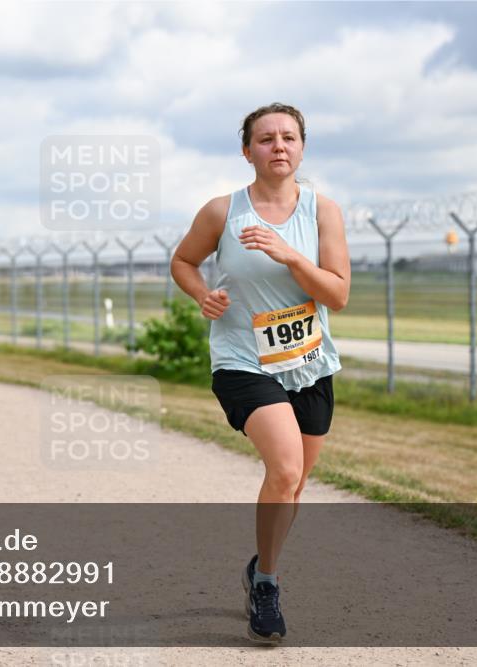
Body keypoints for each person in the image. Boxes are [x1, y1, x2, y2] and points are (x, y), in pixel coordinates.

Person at [170, 103, 349, 645]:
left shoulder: (323, 212)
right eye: (266, 138)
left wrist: (290, 256)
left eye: (288, 137)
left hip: (310, 363)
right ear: (246, 150)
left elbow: (337, 294)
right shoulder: (222, 211)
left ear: (302, 147)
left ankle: (257, 568)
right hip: (243, 360)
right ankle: (268, 586)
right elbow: (183, 262)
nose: (278, 146)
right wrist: (204, 294)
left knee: (292, 485)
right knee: (287, 466)